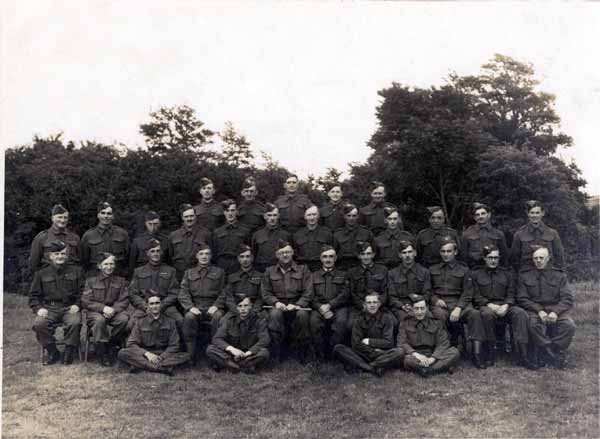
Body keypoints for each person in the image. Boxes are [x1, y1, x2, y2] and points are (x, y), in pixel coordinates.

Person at [470, 245, 533, 368]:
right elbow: (476, 295)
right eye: (490, 258)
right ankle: (490, 351)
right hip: (485, 305)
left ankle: (523, 354)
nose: (493, 260)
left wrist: (506, 305)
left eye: (495, 257)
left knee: (520, 313)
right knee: (487, 314)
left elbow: (511, 293)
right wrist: (489, 304)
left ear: (499, 258)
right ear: (484, 258)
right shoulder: (476, 274)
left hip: (505, 305)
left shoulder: (507, 274)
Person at [429, 238, 487, 368]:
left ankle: (477, 354)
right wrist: (435, 300)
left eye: (449, 251)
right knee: (439, 316)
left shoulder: (464, 270)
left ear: (455, 252)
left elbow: (468, 292)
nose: (446, 254)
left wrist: (459, 308)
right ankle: (446, 352)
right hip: (441, 304)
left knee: (475, 314)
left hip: (460, 302)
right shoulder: (432, 269)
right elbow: (428, 290)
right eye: (443, 251)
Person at [517, 247, 575, 368]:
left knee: (569, 326)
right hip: (534, 310)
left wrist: (555, 312)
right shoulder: (525, 276)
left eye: (541, 258)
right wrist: (539, 310)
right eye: (535, 258)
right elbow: (522, 298)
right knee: (533, 325)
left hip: (556, 309)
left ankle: (552, 349)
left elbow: (567, 298)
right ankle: (552, 354)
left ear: (548, 259)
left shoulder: (559, 276)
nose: (538, 261)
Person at [29, 240, 84, 365]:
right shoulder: (41, 273)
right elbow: (33, 296)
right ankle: (53, 351)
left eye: (63, 254)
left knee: (75, 322)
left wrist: (77, 304)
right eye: (57, 254)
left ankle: (69, 351)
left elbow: (83, 293)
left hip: (69, 308)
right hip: (50, 308)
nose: (60, 256)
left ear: (67, 255)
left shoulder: (77, 271)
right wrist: (39, 308)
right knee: (39, 324)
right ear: (51, 256)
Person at [261, 240, 313, 363]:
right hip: (278, 305)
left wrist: (298, 304)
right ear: (277, 255)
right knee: (274, 314)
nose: (285, 255)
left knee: (302, 315)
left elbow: (308, 292)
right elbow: (266, 293)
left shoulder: (303, 269)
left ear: (292, 253)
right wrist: (276, 303)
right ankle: (277, 352)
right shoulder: (269, 271)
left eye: (288, 252)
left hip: (297, 305)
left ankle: (302, 352)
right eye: (282, 253)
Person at [333, 291, 403, 377]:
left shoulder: (387, 318)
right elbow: (356, 344)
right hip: (364, 354)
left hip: (381, 354)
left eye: (374, 302)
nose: (372, 305)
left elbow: (389, 342)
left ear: (379, 304)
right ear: (364, 305)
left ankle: (364, 367)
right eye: (369, 303)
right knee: (338, 348)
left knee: (399, 352)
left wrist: (369, 341)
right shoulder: (359, 319)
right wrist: (372, 352)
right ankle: (373, 368)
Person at [117, 295, 191, 375]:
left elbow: (174, 345)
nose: (155, 306)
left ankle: (140, 365)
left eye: (157, 303)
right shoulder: (140, 322)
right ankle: (162, 368)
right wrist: (148, 354)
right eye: (151, 304)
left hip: (164, 353)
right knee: (122, 353)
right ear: (148, 306)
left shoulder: (170, 321)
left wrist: (161, 357)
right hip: (146, 353)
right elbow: (131, 343)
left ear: (161, 305)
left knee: (186, 355)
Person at [178, 244, 226, 362]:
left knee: (218, 317)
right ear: (196, 256)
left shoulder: (219, 272)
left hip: (213, 306)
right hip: (196, 306)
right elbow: (183, 293)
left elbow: (225, 292)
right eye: (201, 254)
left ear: (211, 256)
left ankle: (216, 356)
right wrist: (190, 307)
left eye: (207, 254)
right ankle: (190, 355)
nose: (204, 256)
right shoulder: (189, 273)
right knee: (189, 317)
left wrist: (216, 305)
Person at [82, 252, 130, 366]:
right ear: (99, 266)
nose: (109, 267)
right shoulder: (91, 281)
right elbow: (86, 301)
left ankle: (111, 344)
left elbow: (124, 300)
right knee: (99, 321)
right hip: (95, 313)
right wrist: (103, 308)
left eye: (112, 264)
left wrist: (113, 309)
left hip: (114, 312)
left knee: (124, 319)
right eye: (106, 264)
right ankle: (102, 353)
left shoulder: (121, 281)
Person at [398, 294, 460, 377]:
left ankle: (427, 370)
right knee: (406, 359)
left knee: (454, 352)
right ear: (412, 309)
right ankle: (438, 368)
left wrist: (432, 358)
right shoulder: (405, 323)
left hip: (433, 353)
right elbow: (401, 343)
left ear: (426, 308)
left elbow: (443, 343)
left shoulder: (436, 322)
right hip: (415, 355)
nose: (420, 312)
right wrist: (417, 355)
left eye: (422, 308)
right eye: (416, 308)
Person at [206, 296, 270, 373]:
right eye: (240, 306)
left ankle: (233, 366)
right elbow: (216, 338)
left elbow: (265, 339)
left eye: (246, 305)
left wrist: (248, 353)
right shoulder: (229, 321)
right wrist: (232, 349)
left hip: (250, 355)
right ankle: (243, 366)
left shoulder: (259, 321)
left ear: (251, 306)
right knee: (210, 349)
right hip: (231, 355)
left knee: (264, 352)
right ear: (236, 308)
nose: (243, 309)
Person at [128, 239, 183, 330]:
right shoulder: (138, 271)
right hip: (145, 307)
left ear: (161, 252)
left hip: (165, 307)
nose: (155, 253)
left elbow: (174, 292)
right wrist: (145, 306)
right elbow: (133, 293)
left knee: (180, 321)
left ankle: (177, 343)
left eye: (158, 251)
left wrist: (162, 305)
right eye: (152, 251)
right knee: (130, 325)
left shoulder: (170, 271)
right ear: (147, 253)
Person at [310, 245, 350, 360]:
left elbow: (345, 294)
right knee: (314, 322)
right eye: (325, 257)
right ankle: (319, 354)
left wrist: (330, 305)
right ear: (321, 259)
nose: (328, 259)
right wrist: (320, 307)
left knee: (341, 322)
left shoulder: (343, 274)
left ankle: (333, 353)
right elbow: (310, 295)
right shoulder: (313, 276)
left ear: (336, 258)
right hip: (319, 308)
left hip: (338, 307)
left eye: (331, 256)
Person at [511, 200, 565, 271]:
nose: (534, 216)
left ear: (542, 213)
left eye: (537, 213)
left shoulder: (552, 233)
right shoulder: (519, 234)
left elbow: (559, 257)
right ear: (528, 214)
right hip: (527, 276)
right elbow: (515, 259)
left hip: (548, 274)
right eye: (532, 213)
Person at [80, 201, 129, 278]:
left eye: (109, 213)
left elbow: (127, 258)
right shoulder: (88, 235)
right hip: (96, 278)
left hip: (117, 277)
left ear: (113, 216)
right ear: (98, 215)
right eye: (103, 213)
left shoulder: (122, 234)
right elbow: (84, 261)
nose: (106, 216)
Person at [387, 240, 431, 323]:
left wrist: (417, 304)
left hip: (420, 305)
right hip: (401, 307)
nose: (407, 255)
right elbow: (391, 297)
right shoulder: (392, 274)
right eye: (404, 253)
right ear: (400, 255)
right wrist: (402, 306)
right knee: (405, 319)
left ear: (415, 253)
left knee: (430, 318)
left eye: (410, 252)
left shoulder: (424, 272)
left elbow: (427, 294)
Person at [29, 204, 80, 273]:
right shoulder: (42, 238)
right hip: (49, 279)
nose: (62, 220)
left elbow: (81, 261)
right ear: (52, 218)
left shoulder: (74, 237)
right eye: (60, 217)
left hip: (70, 278)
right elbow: (34, 264)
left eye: (65, 217)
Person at [166, 203, 211, 281]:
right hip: (178, 275)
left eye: (191, 216)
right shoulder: (173, 235)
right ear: (182, 218)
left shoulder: (205, 234)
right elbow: (169, 257)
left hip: (199, 275)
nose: (189, 219)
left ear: (195, 216)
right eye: (186, 217)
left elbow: (211, 255)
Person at [347, 242, 389, 325]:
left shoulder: (382, 270)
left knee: (392, 322)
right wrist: (362, 305)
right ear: (359, 256)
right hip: (359, 308)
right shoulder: (352, 272)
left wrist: (378, 304)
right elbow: (352, 293)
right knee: (350, 324)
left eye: (368, 254)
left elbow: (386, 290)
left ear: (373, 255)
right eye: (363, 254)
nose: (366, 257)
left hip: (379, 306)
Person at [461, 202, 509, 269]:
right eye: (477, 215)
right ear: (474, 218)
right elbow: (463, 256)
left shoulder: (498, 234)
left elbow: (504, 256)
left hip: (494, 270)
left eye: (483, 213)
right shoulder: (467, 234)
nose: (480, 216)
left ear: (489, 215)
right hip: (474, 270)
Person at [210, 199, 251, 275]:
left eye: (232, 210)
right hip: (221, 264)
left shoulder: (245, 231)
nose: (230, 213)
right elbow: (214, 251)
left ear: (236, 212)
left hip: (238, 264)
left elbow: (249, 250)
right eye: (227, 210)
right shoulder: (217, 232)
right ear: (224, 212)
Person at [223, 245, 264, 314]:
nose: (245, 259)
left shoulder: (260, 276)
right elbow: (229, 298)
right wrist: (237, 310)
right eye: (242, 257)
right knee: (224, 321)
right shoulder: (232, 277)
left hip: (255, 311)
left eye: (248, 256)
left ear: (252, 258)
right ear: (238, 259)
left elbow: (261, 297)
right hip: (236, 310)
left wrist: (253, 311)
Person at [251, 203, 291, 273]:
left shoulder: (286, 235)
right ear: (264, 216)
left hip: (280, 270)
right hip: (262, 269)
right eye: (269, 215)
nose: (272, 218)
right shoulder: (257, 235)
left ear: (278, 216)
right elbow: (254, 254)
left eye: (274, 215)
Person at [292, 205, 333, 272]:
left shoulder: (327, 233)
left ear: (318, 216)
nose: (312, 217)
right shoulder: (298, 234)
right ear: (305, 217)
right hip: (303, 268)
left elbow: (332, 251)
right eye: (309, 215)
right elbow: (295, 253)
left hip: (320, 267)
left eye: (314, 214)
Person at [333, 203, 373, 271]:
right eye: (349, 215)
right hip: (342, 267)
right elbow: (333, 252)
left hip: (360, 265)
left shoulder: (366, 233)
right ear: (345, 216)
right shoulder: (337, 234)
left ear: (357, 216)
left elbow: (373, 251)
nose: (351, 218)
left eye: (354, 216)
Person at [129, 211, 168, 276]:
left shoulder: (166, 240)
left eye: (155, 224)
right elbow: (132, 264)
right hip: (142, 275)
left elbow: (169, 261)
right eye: (150, 224)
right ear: (145, 224)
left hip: (161, 275)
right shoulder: (137, 241)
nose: (152, 227)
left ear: (159, 223)